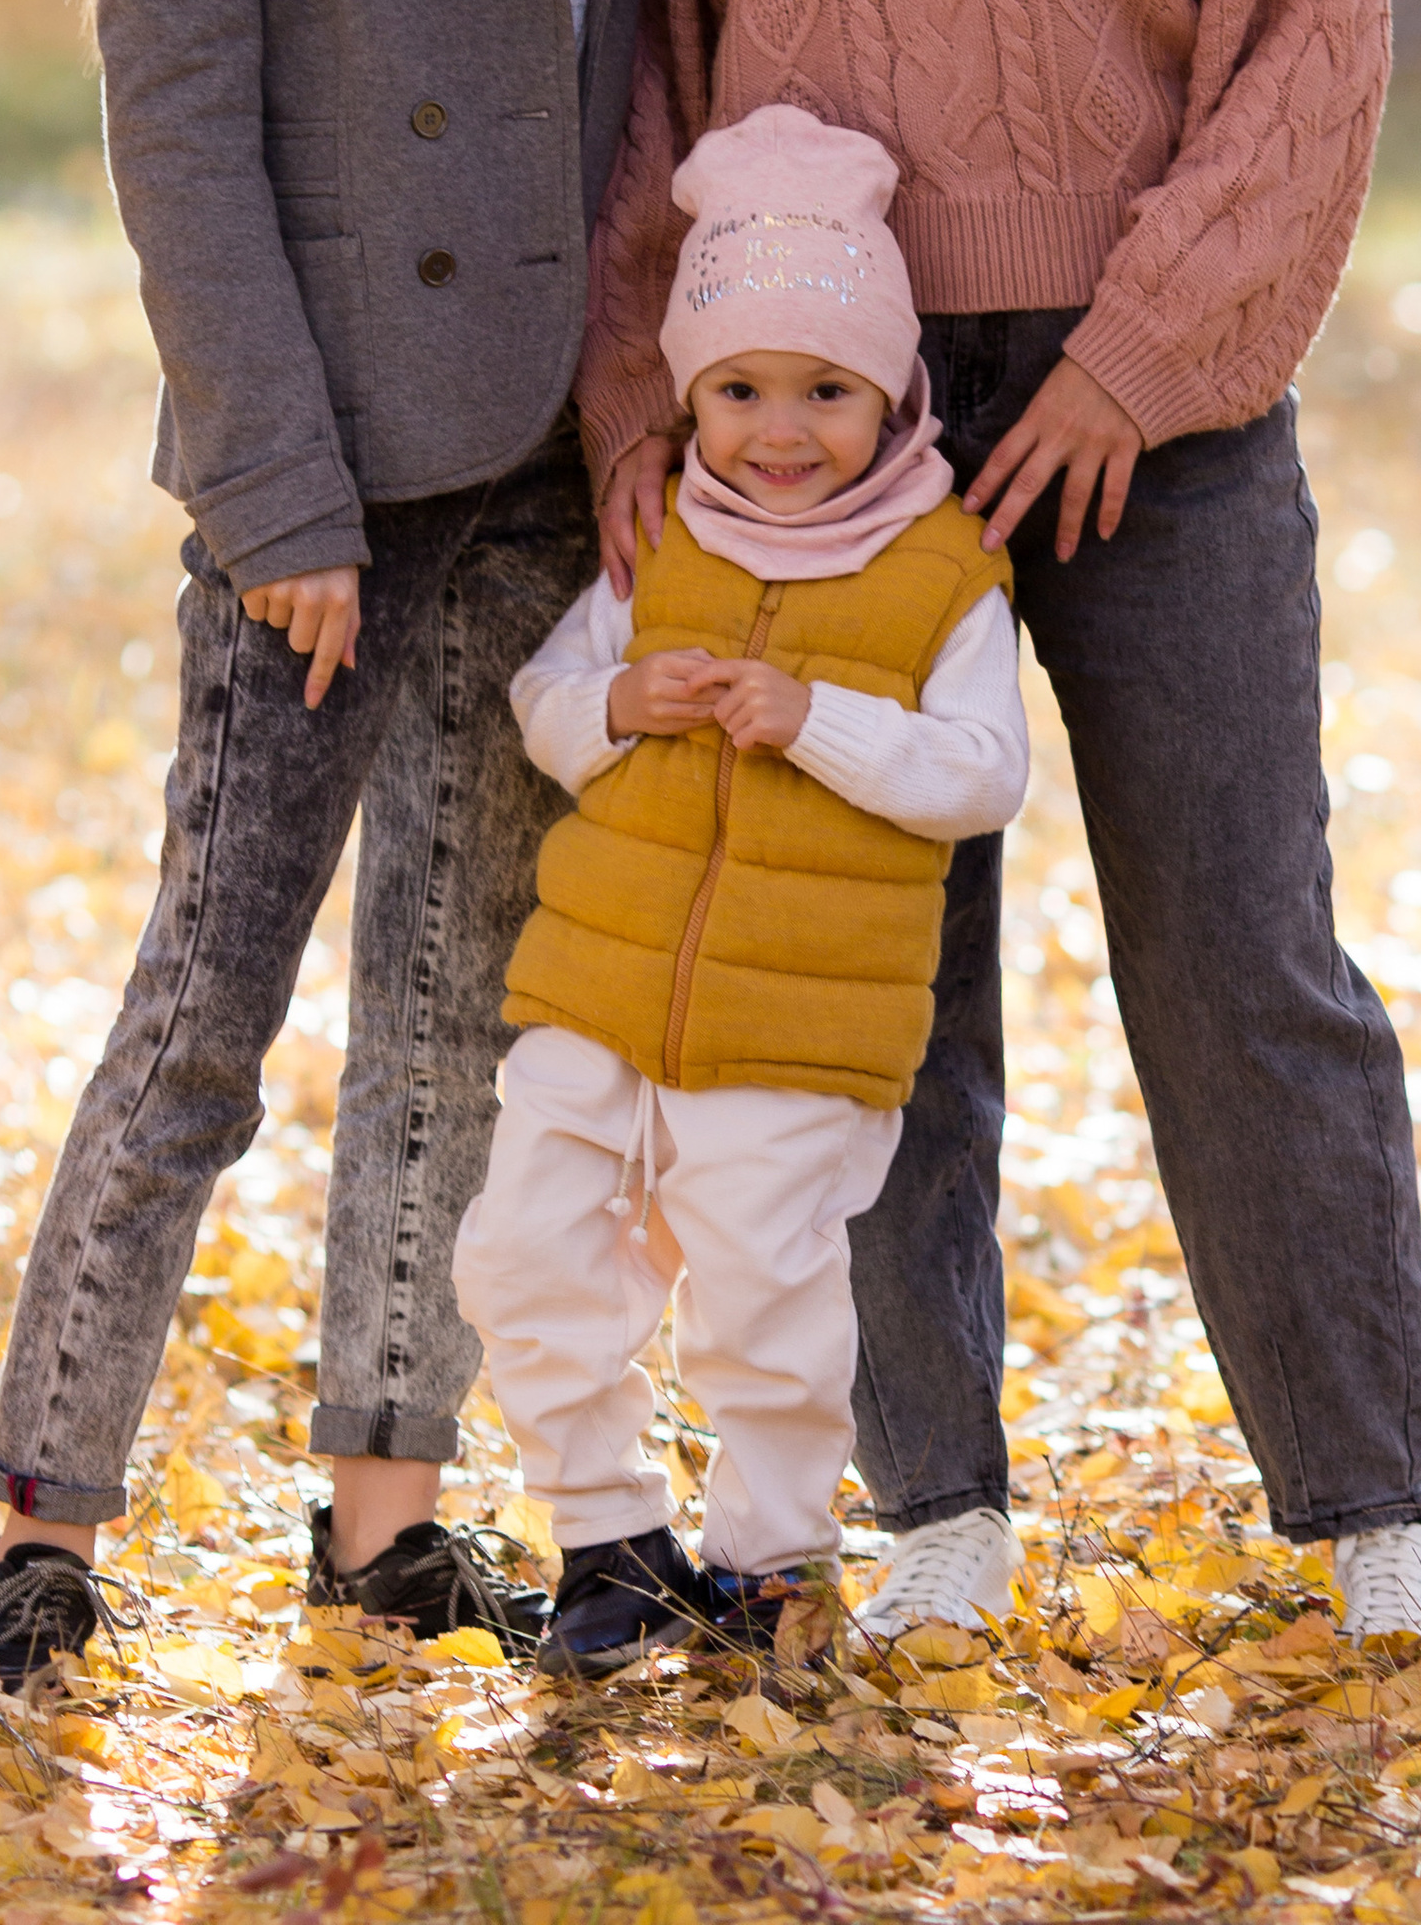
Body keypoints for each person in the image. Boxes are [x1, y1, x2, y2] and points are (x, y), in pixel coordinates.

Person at [578, 0, 1421, 1651]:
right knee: (874, 971)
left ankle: (1364, 1496)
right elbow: (650, 75)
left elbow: (1308, 53)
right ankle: (933, 1504)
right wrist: (634, 402)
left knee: (1239, 956)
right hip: (809, 435)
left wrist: (1133, 358)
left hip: (1145, 419)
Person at [0, 0, 665, 1695]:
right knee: (207, 1007)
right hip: (322, 482)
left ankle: (386, 1519)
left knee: (460, 1013)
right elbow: (186, 118)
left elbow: (620, 96)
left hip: (545, 471)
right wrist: (270, 484)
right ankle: (46, 1510)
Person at [455, 105, 1029, 1679]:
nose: (782, 431)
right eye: (739, 391)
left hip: (798, 1017)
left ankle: (771, 1564)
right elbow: (550, 696)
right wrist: (616, 710)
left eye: (828, 391)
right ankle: (608, 1539)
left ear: (892, 389)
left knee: (764, 1305)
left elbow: (984, 771)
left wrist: (815, 720)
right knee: (520, 1256)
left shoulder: (943, 570)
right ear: (693, 395)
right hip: (600, 988)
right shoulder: (657, 544)